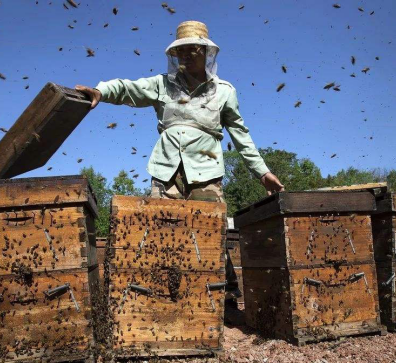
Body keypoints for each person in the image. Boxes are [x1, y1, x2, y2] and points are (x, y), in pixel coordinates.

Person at [76, 20, 284, 300]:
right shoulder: (163, 85)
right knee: (163, 234)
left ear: (206, 52)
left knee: (212, 234)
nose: (186, 55)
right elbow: (129, 88)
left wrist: (262, 172)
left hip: (207, 172)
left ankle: (226, 297)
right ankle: (166, 297)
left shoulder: (224, 91)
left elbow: (240, 134)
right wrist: (102, 91)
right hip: (166, 169)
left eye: (192, 49)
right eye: (180, 51)